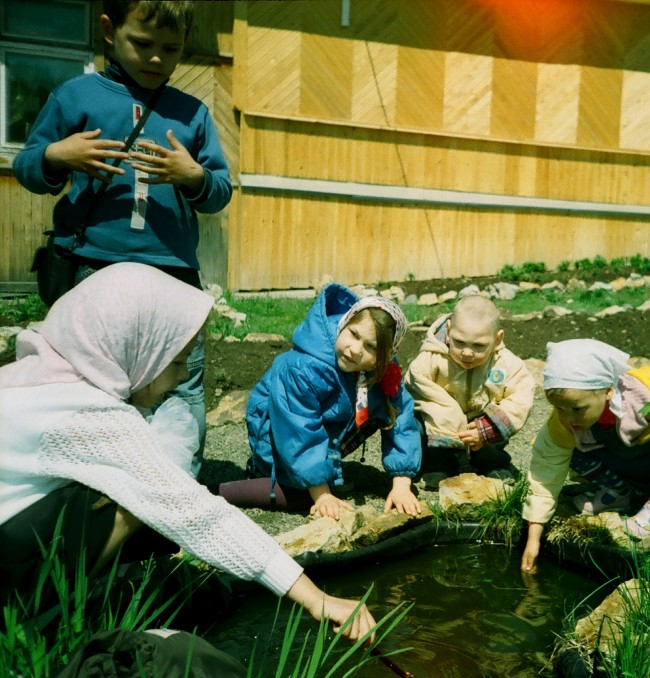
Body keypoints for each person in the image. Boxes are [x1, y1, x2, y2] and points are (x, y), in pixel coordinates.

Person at [0, 263, 376, 642]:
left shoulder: (39, 376)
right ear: (136, 347)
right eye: (177, 362)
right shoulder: (86, 415)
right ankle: (42, 619)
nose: (183, 377)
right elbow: (198, 514)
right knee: (143, 498)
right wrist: (315, 598)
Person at [13, 0, 232, 476]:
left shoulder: (192, 113)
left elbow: (219, 192)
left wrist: (193, 175)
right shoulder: (75, 96)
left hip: (171, 271)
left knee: (181, 384)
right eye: (143, 43)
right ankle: (89, 479)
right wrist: (55, 154)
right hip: (92, 264)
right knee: (86, 378)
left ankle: (177, 489)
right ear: (109, 31)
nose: (156, 58)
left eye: (170, 49)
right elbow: (26, 166)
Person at [215, 287, 422, 519]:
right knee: (303, 495)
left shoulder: (382, 369)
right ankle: (227, 489)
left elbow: (402, 419)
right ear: (344, 323)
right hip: (279, 433)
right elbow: (299, 431)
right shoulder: (303, 368)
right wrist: (322, 495)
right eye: (353, 334)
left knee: (394, 408)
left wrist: (402, 485)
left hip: (327, 425)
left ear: (385, 355)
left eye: (371, 347)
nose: (355, 350)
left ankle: (319, 472)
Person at [520, 339, 650, 573]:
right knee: (563, 448)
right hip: (623, 463)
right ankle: (618, 492)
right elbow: (546, 471)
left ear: (608, 392)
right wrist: (534, 537)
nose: (568, 418)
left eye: (576, 409)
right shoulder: (564, 421)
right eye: (559, 409)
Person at [404, 295, 535, 485]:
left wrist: (487, 428)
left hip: (481, 419)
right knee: (421, 426)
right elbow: (417, 388)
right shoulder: (430, 359)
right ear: (448, 331)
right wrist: (447, 417)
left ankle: (492, 463)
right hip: (442, 419)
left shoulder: (506, 364)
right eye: (459, 342)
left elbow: (521, 395)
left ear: (497, 339)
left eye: (479, 346)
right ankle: (440, 464)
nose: (467, 352)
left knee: (492, 438)